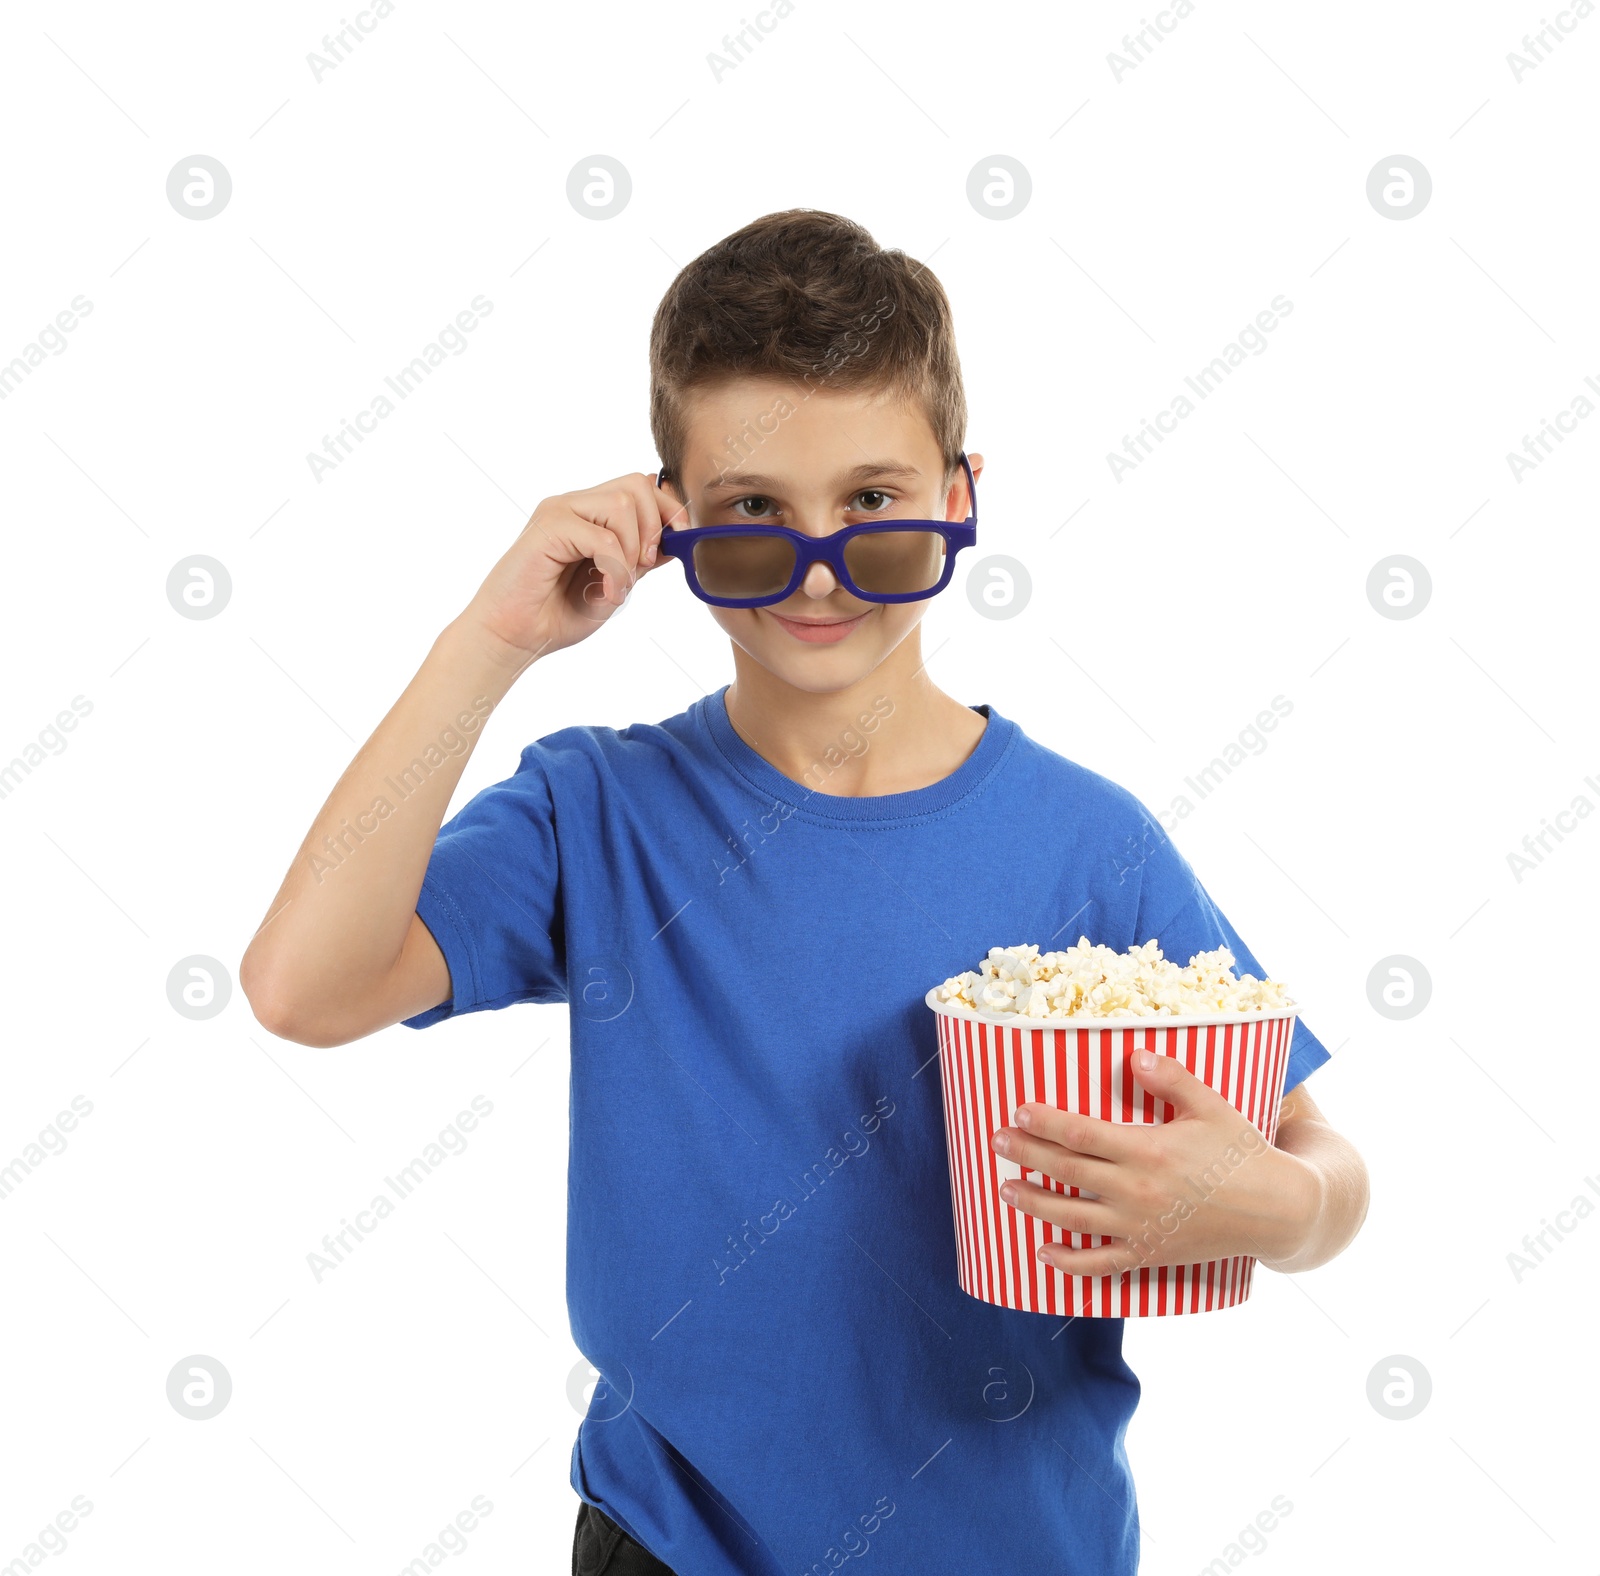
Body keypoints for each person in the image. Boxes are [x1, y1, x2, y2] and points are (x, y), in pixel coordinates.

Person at [240, 208, 1369, 1576]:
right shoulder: (596, 811)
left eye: (876, 507)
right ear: (668, 525)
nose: (822, 567)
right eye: (756, 517)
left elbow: (1316, 1152)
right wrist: (492, 642)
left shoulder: (1090, 846)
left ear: (962, 498)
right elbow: (303, 987)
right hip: (670, 1543)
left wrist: (1285, 1210)